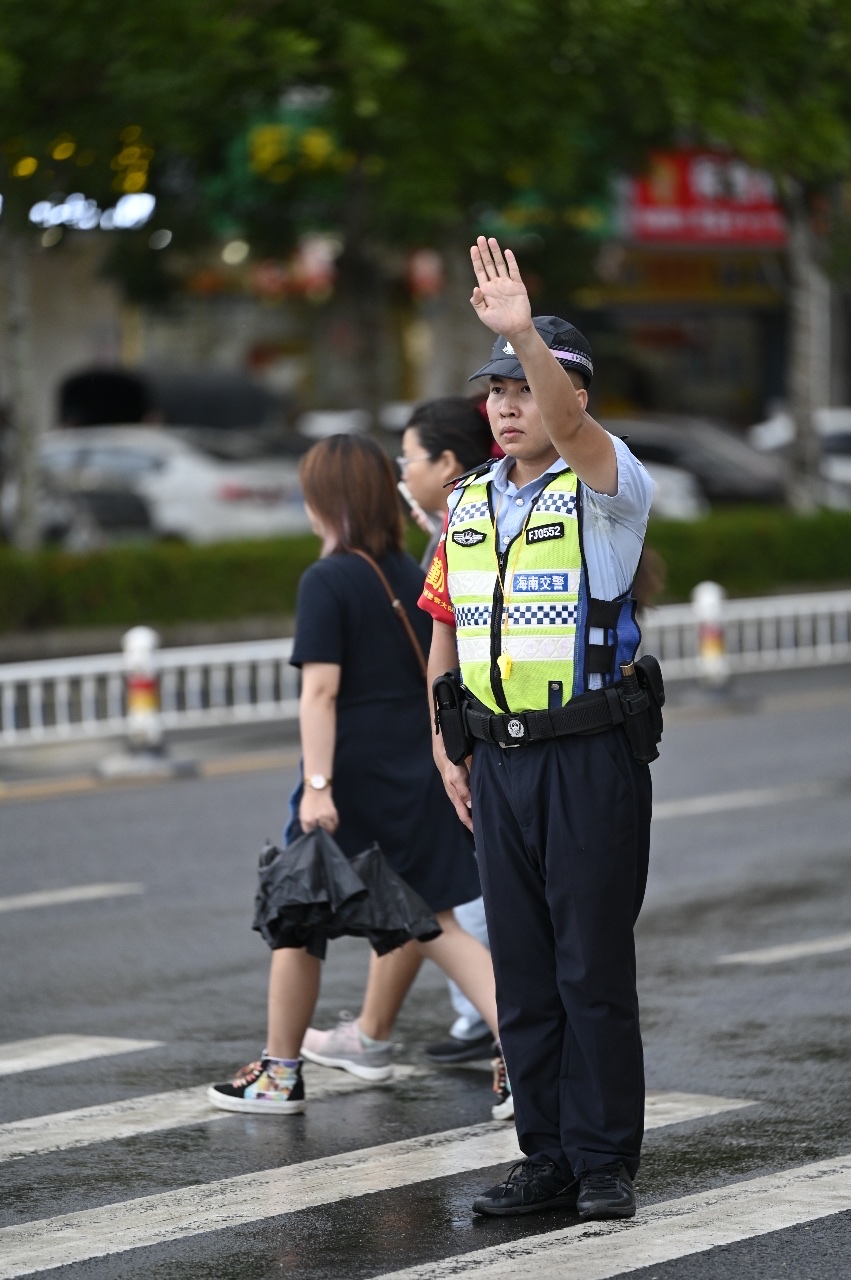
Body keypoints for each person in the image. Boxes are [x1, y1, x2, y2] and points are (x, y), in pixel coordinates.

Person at [420, 236, 655, 1222]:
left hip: (589, 756)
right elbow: (447, 631)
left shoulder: (607, 488)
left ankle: (602, 1161)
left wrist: (522, 332)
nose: (508, 405)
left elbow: (572, 429)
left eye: (525, 387)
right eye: (496, 390)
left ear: (572, 395)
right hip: (499, 763)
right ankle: (546, 1154)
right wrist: (449, 744)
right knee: (521, 972)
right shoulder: (469, 500)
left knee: (587, 964)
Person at [208, 433, 502, 1117]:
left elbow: (320, 692)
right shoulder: (411, 570)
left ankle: (279, 1074)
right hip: (419, 763)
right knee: (437, 918)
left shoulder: (327, 579)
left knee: (295, 915)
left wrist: (317, 786)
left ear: (325, 500)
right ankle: (525, 1059)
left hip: (353, 772)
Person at [398, 397, 499, 1070]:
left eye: (409, 458)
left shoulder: (465, 531)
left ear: (446, 464)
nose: (402, 472)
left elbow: (450, 640)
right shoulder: (458, 526)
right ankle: (482, 1019)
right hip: (471, 729)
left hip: (479, 730)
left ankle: (495, 1024)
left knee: (472, 890)